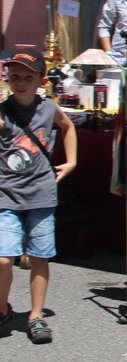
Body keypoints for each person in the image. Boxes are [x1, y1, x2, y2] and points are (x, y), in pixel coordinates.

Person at [0, 49, 77, 344]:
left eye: (27, 78)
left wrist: (71, 161)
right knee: (4, 260)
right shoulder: (3, 111)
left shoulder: (48, 108)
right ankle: (3, 308)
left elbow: (67, 126)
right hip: (6, 195)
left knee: (39, 257)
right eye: (14, 76)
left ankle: (36, 315)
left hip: (41, 195)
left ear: (40, 81)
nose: (20, 83)